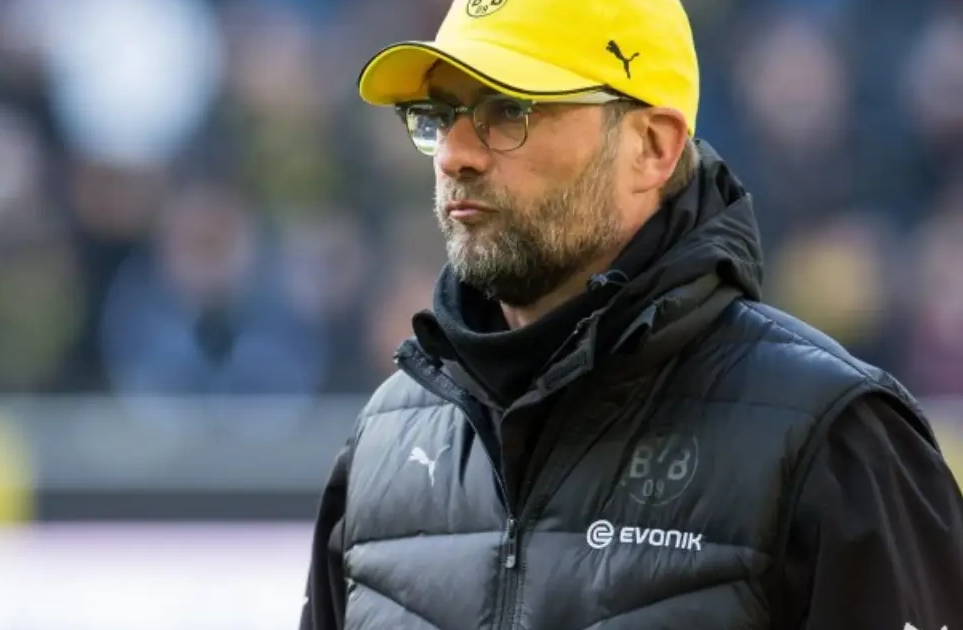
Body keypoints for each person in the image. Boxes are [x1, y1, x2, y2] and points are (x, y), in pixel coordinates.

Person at [299, 0, 963, 628]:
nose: (454, 154)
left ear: (653, 147)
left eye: (507, 110)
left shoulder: (831, 437)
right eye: (440, 115)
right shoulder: (381, 448)